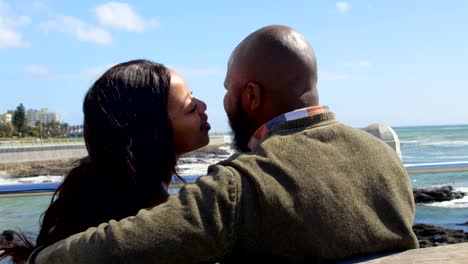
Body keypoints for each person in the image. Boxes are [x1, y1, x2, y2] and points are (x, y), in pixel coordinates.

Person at [30, 25, 418, 263]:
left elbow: (120, 246)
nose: (209, 105)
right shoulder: (385, 160)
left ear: (251, 96)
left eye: (226, 89)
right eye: (189, 102)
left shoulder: (242, 185)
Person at [0, 59, 211, 263]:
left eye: (194, 98)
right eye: (191, 107)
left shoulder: (104, 192)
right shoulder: (147, 220)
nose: (203, 106)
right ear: (152, 132)